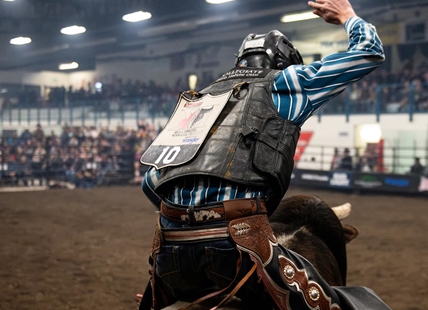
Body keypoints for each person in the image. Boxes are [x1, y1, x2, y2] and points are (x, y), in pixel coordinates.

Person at [138, 0, 390, 309]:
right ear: (285, 64)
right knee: (356, 302)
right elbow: (368, 52)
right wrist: (348, 17)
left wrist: (191, 217)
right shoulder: (285, 83)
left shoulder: (198, 100)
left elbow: (151, 182)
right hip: (237, 250)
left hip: (171, 257)